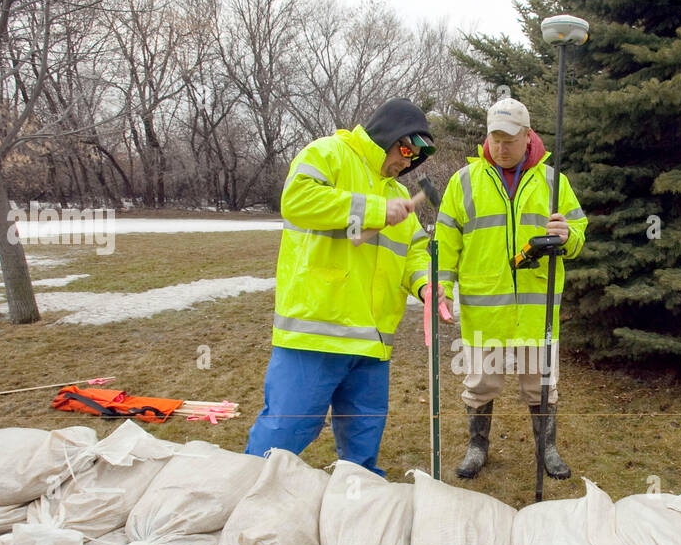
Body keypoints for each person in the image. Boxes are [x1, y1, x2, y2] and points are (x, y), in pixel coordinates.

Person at [244, 97, 441, 475]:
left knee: (362, 452)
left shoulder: (400, 195)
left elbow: (414, 250)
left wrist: (425, 285)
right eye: (405, 149)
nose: (407, 162)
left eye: (416, 158)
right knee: (282, 435)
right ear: (388, 134)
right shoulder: (328, 154)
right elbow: (298, 200)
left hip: (372, 340)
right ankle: (247, 499)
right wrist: (373, 209)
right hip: (316, 333)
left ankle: (356, 508)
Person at [410, 97, 586, 480]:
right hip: (483, 313)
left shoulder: (554, 182)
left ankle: (547, 449)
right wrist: (440, 288)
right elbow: (446, 243)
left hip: (535, 314)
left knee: (541, 388)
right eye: (495, 139)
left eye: (509, 139)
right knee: (479, 386)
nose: (501, 147)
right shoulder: (464, 182)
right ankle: (477, 448)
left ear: (527, 136)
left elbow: (578, 235)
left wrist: (567, 235)